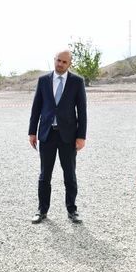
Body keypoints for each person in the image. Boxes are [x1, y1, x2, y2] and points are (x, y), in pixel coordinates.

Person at [28, 49, 87, 224]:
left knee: (69, 175)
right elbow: (36, 108)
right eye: (58, 60)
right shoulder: (43, 80)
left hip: (68, 136)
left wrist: (81, 136)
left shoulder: (77, 82)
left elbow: (82, 111)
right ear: (54, 60)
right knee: (44, 175)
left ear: (70, 64)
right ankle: (42, 210)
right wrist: (32, 132)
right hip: (47, 134)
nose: (60, 64)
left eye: (64, 62)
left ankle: (72, 210)